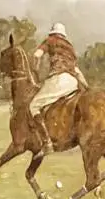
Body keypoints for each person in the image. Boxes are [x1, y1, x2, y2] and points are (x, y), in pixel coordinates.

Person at [29, 22, 89, 152]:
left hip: (59, 80)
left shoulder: (50, 41)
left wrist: (35, 69)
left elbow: (36, 55)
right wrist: (87, 88)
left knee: (33, 105)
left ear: (53, 33)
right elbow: (77, 70)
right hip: (73, 82)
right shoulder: (70, 48)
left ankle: (47, 142)